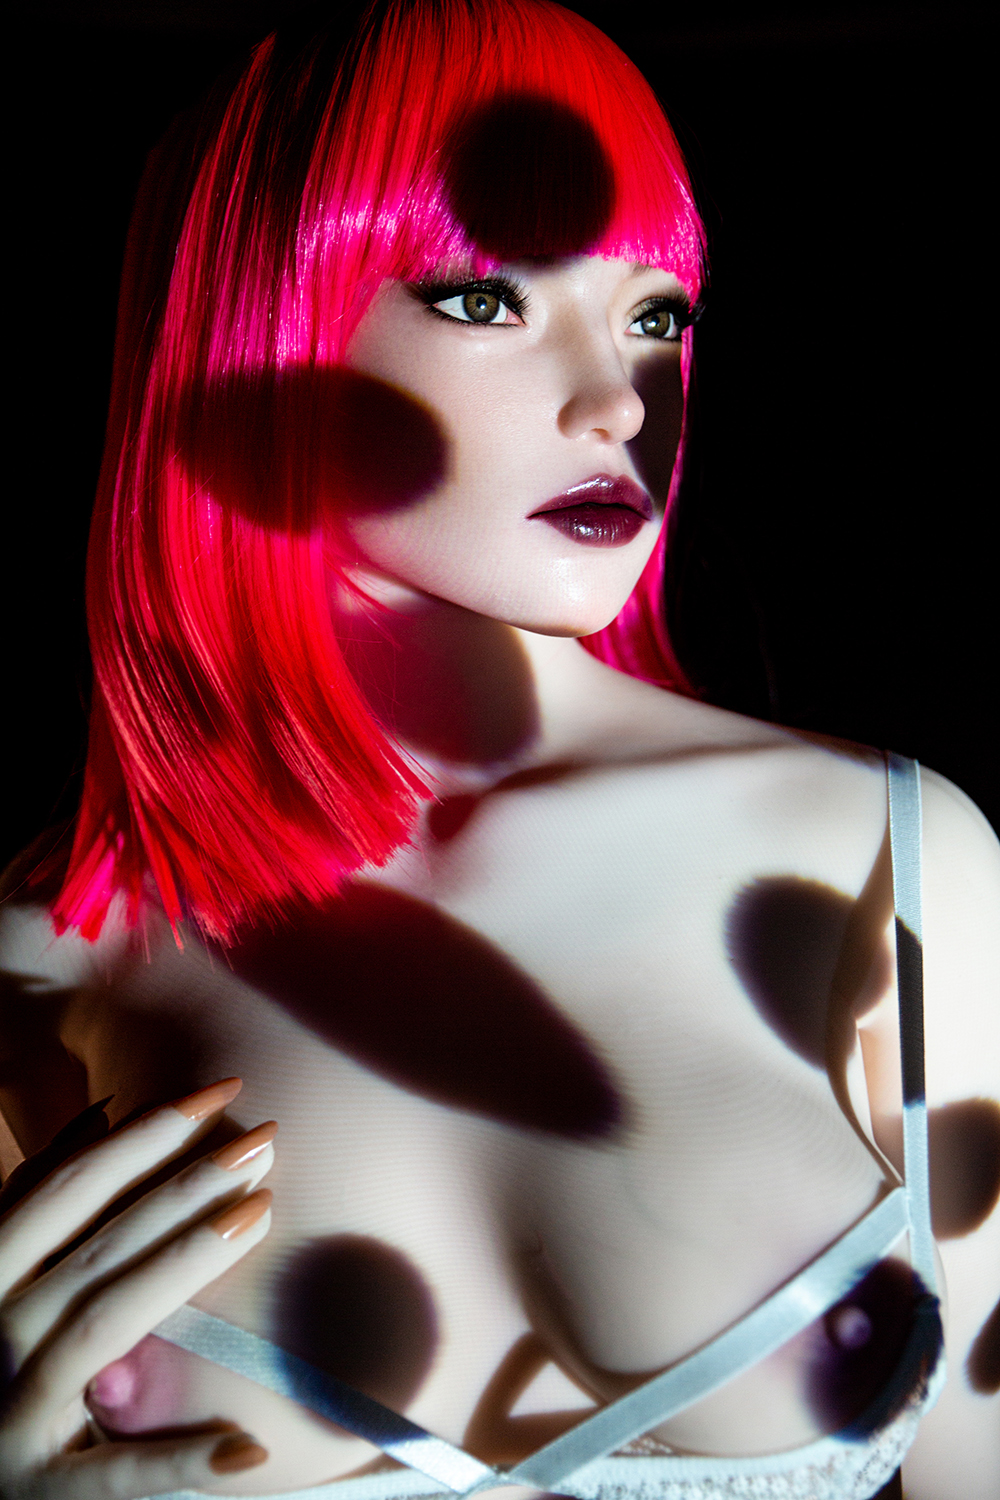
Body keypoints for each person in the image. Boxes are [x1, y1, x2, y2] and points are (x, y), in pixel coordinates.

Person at [0, 1, 997, 1497]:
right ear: (261, 323)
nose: (621, 401)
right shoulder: (46, 966)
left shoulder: (885, 858)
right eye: (486, 299)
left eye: (657, 315)